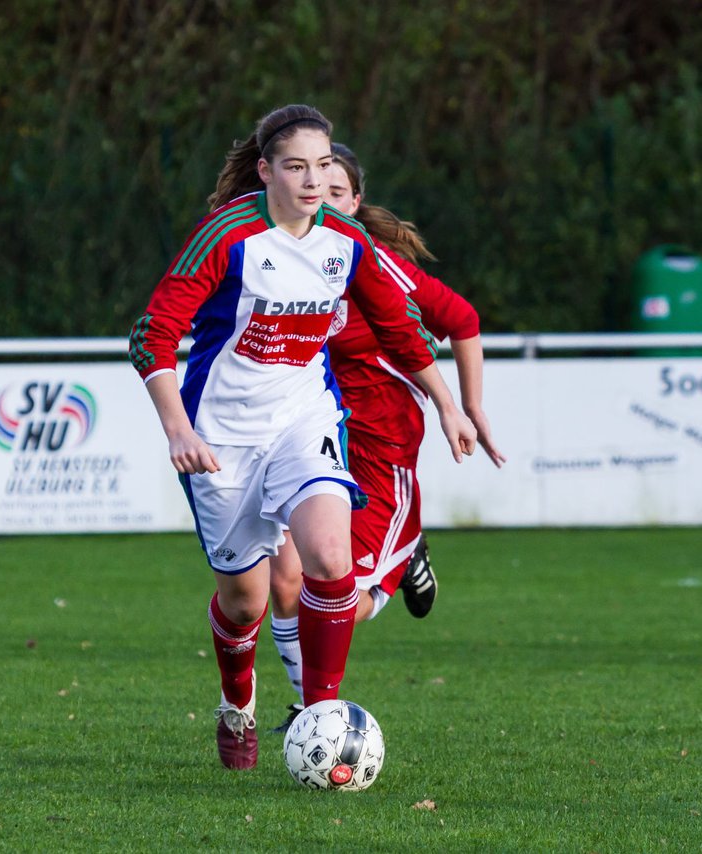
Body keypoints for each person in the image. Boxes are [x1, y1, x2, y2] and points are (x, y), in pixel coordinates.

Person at [128, 104, 477, 769]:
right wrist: (177, 428)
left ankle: (322, 718)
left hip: (304, 420)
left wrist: (448, 405)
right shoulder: (228, 235)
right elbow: (152, 332)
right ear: (265, 172)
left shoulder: (345, 241)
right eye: (296, 166)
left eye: (323, 165)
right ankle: (237, 703)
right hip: (221, 435)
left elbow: (402, 327)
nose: (313, 180)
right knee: (247, 599)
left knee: (326, 557)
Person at [264, 142, 506, 731]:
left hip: (381, 447)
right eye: (313, 182)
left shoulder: (369, 260)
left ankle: (399, 563)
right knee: (284, 579)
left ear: (356, 199)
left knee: (345, 595)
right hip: (312, 436)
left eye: (338, 190)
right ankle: (311, 711)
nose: (325, 199)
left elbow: (462, 320)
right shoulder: (283, 253)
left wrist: (467, 407)